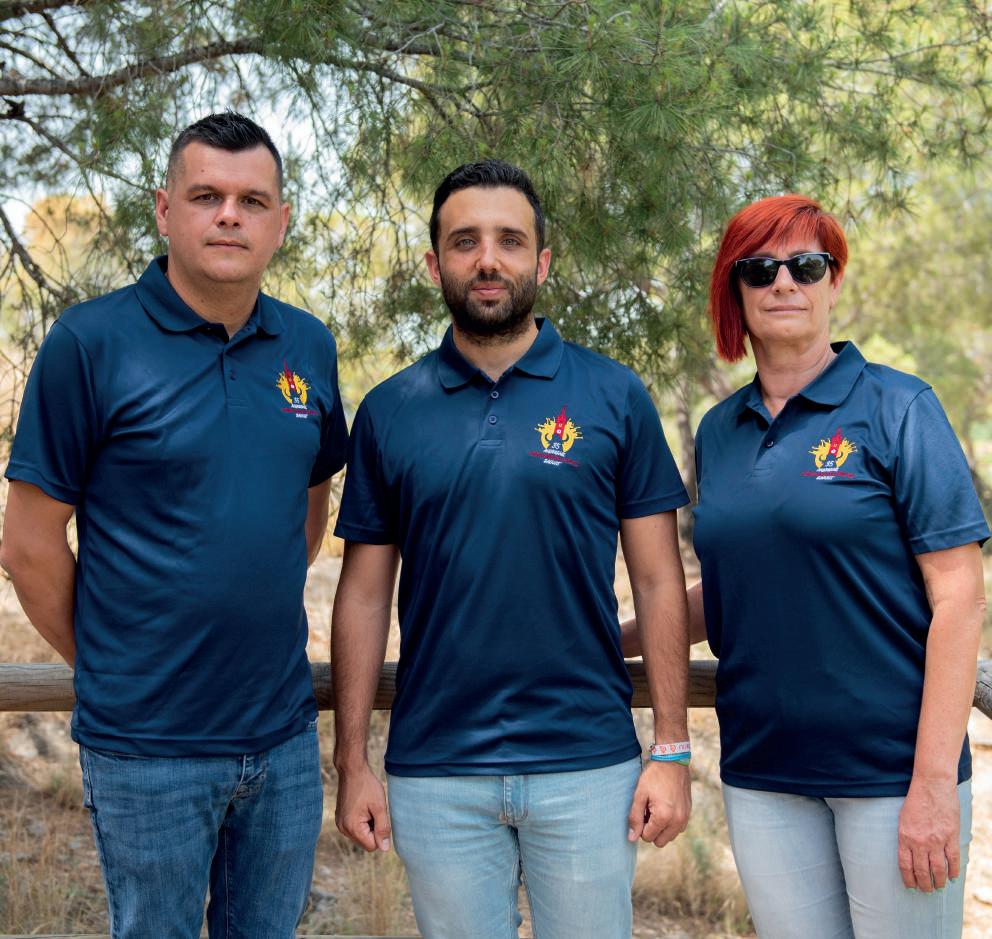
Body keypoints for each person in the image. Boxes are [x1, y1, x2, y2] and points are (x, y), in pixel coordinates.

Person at [0, 112, 348, 938]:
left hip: (282, 737)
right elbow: (29, 545)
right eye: (205, 196)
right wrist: (115, 663)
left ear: (280, 222)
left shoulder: (307, 345)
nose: (229, 215)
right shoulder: (90, 343)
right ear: (164, 210)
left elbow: (308, 505)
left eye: (252, 200)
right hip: (147, 747)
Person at [331, 159, 692, 939]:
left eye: (510, 240)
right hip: (437, 769)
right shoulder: (391, 410)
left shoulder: (613, 395)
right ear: (435, 265)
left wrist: (670, 750)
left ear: (543, 261)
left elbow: (660, 580)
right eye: (465, 241)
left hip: (588, 764)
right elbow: (361, 593)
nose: (488, 260)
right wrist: (351, 761)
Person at [624, 194, 989, 938]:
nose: (784, 282)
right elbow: (733, 586)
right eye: (759, 270)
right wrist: (613, 639)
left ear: (834, 281)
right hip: (764, 774)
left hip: (890, 774)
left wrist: (930, 785)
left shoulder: (900, 408)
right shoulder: (720, 432)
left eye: (806, 265)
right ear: (735, 292)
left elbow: (959, 595)